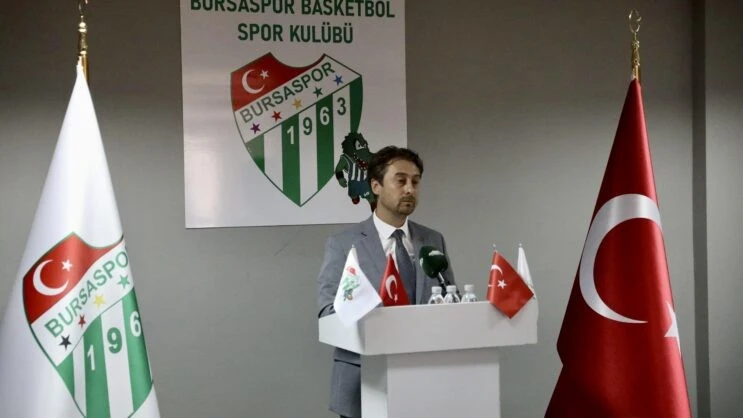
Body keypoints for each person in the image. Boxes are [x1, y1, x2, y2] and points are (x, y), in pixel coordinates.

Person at [316, 146, 456, 418]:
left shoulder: (432, 240)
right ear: (376, 186)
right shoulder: (344, 244)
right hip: (364, 381)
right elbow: (328, 311)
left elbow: (450, 298)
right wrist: (379, 323)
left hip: (424, 379)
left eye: (415, 182)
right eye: (400, 180)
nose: (410, 189)